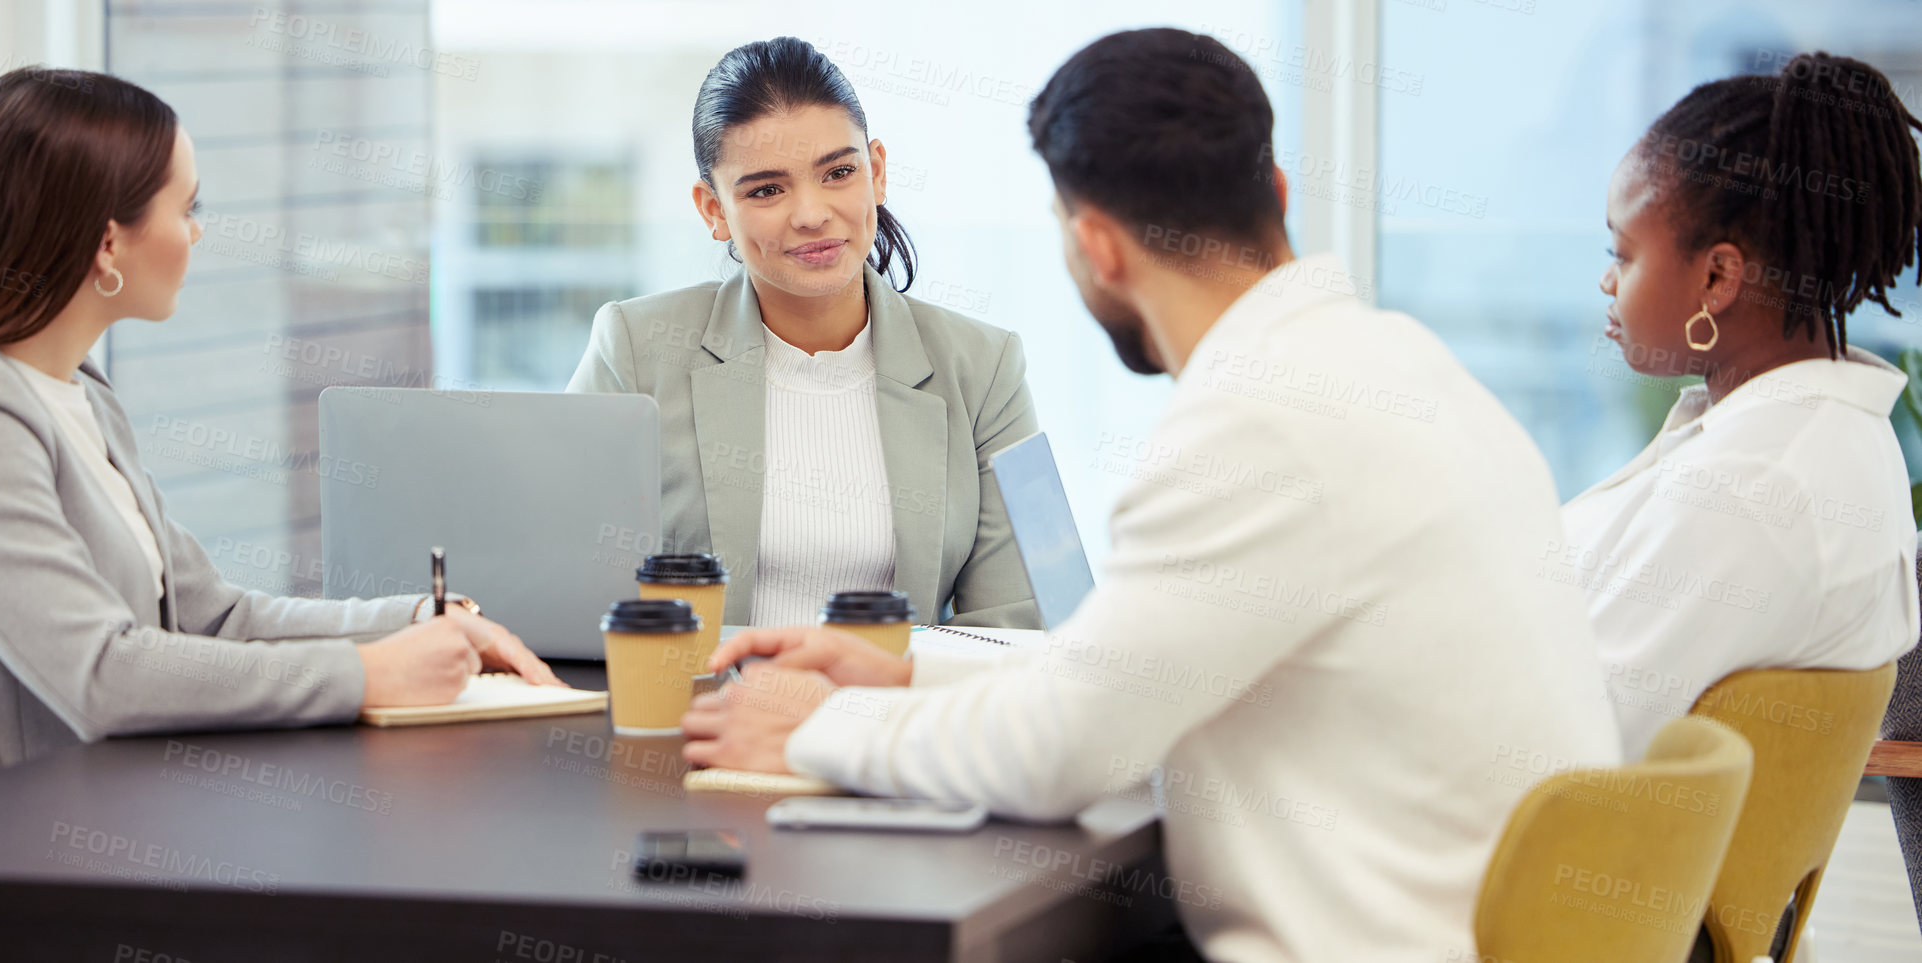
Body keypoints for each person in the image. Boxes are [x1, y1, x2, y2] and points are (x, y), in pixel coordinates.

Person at [679, 29, 1619, 963]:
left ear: (1098, 247)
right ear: (1276, 194)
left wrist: (820, 725)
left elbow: (1064, 752)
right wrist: (910, 673)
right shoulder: (1407, 369)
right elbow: (1117, 666)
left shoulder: (1254, 425)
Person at [0, 68, 559, 774]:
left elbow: (216, 617)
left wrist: (417, 622)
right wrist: (367, 675)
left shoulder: (80, 394)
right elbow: (101, 675)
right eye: (186, 207)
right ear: (107, 243)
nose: (196, 231)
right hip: (48, 850)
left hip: (141, 803)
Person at [567, 37, 1039, 630]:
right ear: (713, 210)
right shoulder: (633, 350)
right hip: (705, 714)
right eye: (766, 189)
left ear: (878, 171)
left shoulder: (987, 366)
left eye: (839, 172)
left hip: (897, 716)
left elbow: (1023, 624)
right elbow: (565, 584)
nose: (812, 214)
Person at [1564, 51, 1922, 763]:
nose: (1608, 280)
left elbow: (1576, 742)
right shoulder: (1821, 439)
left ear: (1719, 275)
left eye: (1624, 253)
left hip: (1543, 858)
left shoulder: (1753, 488)